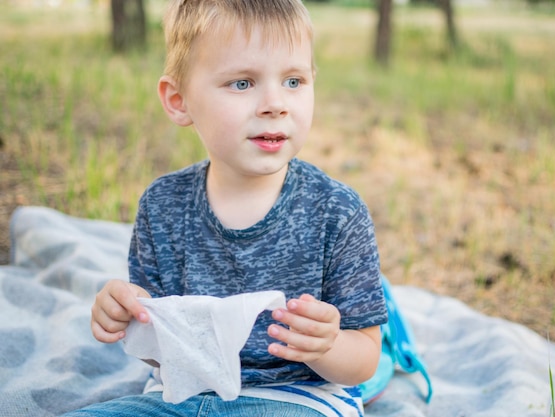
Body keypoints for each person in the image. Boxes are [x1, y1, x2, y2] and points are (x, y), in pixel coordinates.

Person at [64, 0, 388, 415]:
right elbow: (160, 353)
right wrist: (130, 318)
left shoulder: (337, 211)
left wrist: (327, 345)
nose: (276, 103)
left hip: (296, 397)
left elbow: (364, 360)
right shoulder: (163, 206)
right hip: (182, 396)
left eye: (293, 81)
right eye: (242, 83)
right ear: (179, 100)